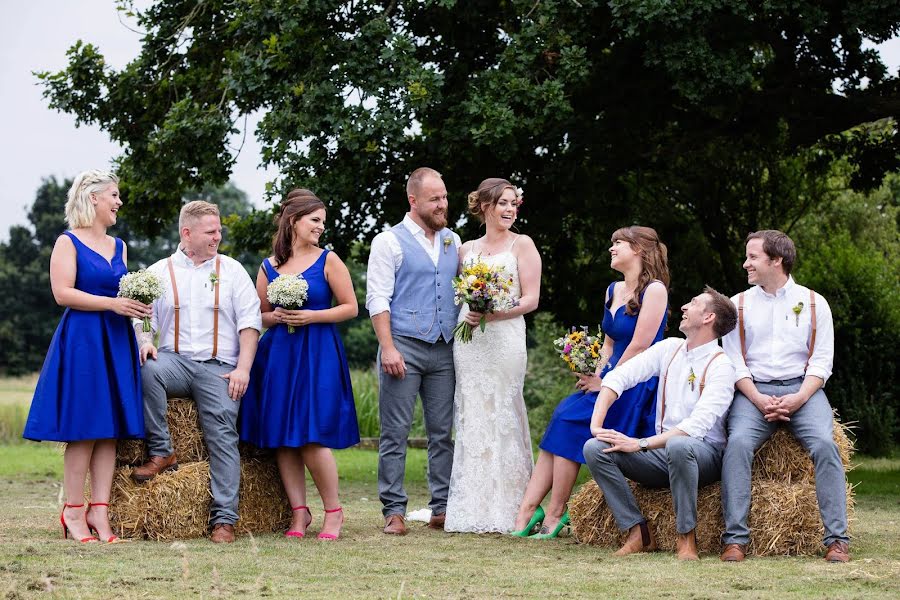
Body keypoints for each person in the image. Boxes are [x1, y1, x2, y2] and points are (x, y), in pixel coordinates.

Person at [512, 226, 669, 539]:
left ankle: (555, 513)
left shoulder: (654, 290)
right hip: (609, 377)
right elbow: (609, 344)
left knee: (569, 418)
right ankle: (528, 510)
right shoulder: (613, 289)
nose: (611, 248)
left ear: (638, 249)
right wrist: (592, 372)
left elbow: (640, 344)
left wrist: (608, 381)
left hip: (635, 383)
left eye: (618, 244)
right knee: (563, 415)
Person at [23, 170, 149, 543]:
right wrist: (113, 303)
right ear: (93, 198)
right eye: (114, 195)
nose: (119, 202)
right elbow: (62, 293)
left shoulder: (120, 246)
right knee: (85, 430)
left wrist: (143, 336)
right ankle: (73, 512)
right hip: (83, 342)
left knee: (109, 431)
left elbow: (129, 300)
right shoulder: (67, 242)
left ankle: (100, 511)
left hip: (116, 340)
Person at [134, 200, 261, 544]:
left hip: (220, 368)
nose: (218, 236)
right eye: (211, 231)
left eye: (219, 230)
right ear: (187, 233)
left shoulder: (233, 270)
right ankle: (162, 450)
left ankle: (224, 519)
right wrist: (146, 340)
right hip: (175, 360)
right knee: (147, 367)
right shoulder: (160, 271)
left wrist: (243, 370)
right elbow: (144, 315)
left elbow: (250, 324)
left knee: (221, 432)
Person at [720, 230, 849, 563]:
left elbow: (822, 361)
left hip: (803, 390)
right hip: (752, 392)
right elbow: (733, 360)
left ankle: (836, 540)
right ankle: (735, 539)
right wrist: (758, 398)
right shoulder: (738, 304)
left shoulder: (813, 302)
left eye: (752, 257)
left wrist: (798, 398)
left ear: (776, 260)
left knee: (825, 444)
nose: (745, 263)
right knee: (736, 446)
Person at [239, 189, 360, 541]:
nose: (321, 227)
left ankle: (334, 512)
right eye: (315, 220)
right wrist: (276, 316)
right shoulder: (268, 266)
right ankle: (299, 513)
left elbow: (351, 307)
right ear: (294, 221)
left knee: (311, 436)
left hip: (318, 351)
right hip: (279, 356)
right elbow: (258, 315)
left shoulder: (329, 260)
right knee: (283, 438)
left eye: (323, 221)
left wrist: (312, 316)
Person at [583, 286, 738, 560]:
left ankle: (686, 538)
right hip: (660, 455)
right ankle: (638, 531)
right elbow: (620, 377)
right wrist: (597, 425)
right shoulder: (669, 348)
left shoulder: (721, 366)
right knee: (594, 448)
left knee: (680, 445)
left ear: (708, 318)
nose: (684, 307)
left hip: (704, 457)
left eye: (693, 303)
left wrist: (640, 444)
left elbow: (696, 426)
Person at [366, 167, 461, 535]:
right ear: (413, 200)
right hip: (402, 346)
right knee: (395, 433)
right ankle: (394, 510)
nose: (442, 204)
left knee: (442, 433)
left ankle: (442, 507)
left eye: (445, 197)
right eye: (435, 198)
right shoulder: (388, 242)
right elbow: (377, 298)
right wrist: (387, 347)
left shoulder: (453, 240)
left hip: (444, 349)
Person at [444, 179, 542, 533]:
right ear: (485, 205)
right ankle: (472, 507)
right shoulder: (466, 248)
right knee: (472, 410)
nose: (510, 209)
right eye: (503, 203)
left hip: (505, 339)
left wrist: (493, 313)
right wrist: (472, 310)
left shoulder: (523, 244)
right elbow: (461, 293)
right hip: (469, 340)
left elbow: (531, 299)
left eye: (514, 203)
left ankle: (514, 506)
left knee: (503, 409)